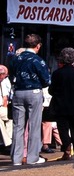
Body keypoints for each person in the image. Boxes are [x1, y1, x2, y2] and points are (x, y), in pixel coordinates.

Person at [8, 33, 50, 166]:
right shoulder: (38, 60)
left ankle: (16, 158)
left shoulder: (16, 59)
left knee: (18, 126)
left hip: (18, 92)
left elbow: (11, 75)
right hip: (34, 91)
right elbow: (46, 80)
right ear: (38, 46)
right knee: (34, 125)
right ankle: (33, 157)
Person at [49, 47, 74, 161]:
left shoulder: (57, 73)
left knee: (63, 129)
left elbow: (51, 90)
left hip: (61, 106)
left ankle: (67, 148)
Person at [0, 64, 12, 152]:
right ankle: (8, 142)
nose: (5, 77)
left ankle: (8, 140)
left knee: (10, 116)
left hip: (1, 108)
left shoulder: (2, 83)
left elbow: (5, 98)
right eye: (4, 75)